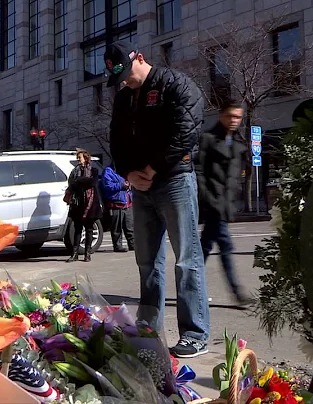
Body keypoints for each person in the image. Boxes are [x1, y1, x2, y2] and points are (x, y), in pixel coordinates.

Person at [105, 40, 210, 358]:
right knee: (147, 262)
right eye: (118, 78)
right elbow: (116, 139)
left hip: (175, 180)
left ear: (139, 58)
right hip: (140, 186)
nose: (124, 82)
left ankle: (195, 332)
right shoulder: (124, 98)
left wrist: (152, 168)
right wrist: (127, 172)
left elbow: (187, 129)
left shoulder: (174, 84)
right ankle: (149, 327)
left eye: (126, 74)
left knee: (187, 259)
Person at [197, 100, 251, 305]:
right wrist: (208, 198)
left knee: (204, 248)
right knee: (225, 247)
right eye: (230, 116)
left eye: (238, 117)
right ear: (222, 115)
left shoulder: (238, 145)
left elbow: (236, 178)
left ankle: (190, 286)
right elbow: (199, 171)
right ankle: (237, 292)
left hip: (225, 205)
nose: (234, 121)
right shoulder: (209, 139)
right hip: (213, 204)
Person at [65, 149, 102, 263]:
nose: (78, 160)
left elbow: (92, 182)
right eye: (78, 158)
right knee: (77, 229)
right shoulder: (75, 171)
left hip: (90, 203)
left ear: (85, 158)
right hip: (77, 203)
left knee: (89, 229)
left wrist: (80, 180)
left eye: (79, 158)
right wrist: (81, 181)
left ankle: (87, 253)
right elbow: (71, 182)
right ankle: (74, 254)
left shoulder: (93, 170)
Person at [100, 164, 134, 252]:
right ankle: (118, 246)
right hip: (115, 204)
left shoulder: (126, 169)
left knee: (130, 227)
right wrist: (121, 185)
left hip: (127, 203)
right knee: (116, 228)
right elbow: (107, 186)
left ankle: (132, 244)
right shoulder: (108, 171)